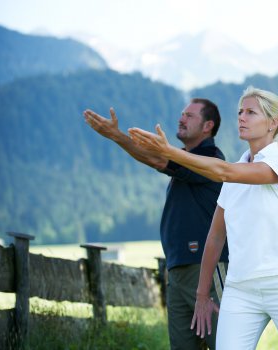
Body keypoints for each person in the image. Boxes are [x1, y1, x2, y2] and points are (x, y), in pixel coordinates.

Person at [128, 86, 278, 350]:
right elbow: (216, 236)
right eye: (240, 112)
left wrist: (170, 151)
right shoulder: (235, 170)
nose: (241, 117)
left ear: (272, 123)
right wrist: (201, 295)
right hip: (241, 289)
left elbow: (224, 172)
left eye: (251, 112)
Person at [83, 99, 229, 350]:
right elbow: (161, 160)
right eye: (181, 113)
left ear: (208, 126)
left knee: (225, 345)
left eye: (190, 116)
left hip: (207, 269)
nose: (181, 119)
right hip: (178, 269)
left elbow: (158, 160)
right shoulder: (189, 160)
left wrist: (117, 136)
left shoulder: (209, 158)